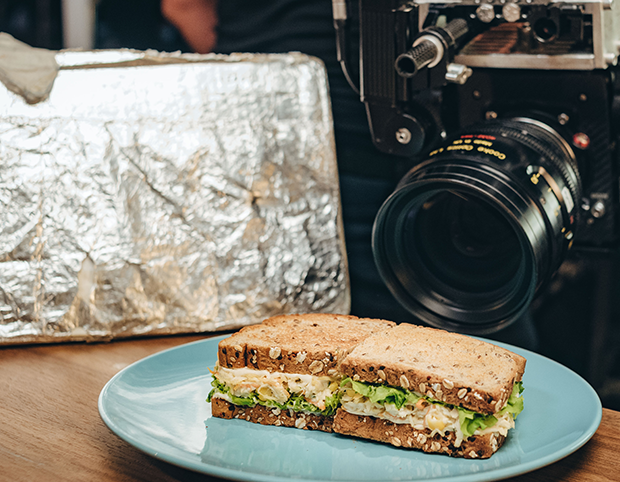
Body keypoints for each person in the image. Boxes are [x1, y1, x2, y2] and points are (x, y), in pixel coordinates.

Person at [160, 0, 540, 350]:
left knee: (291, 363)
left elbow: (184, 6)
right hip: (388, 153)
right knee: (483, 355)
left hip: (264, 145)